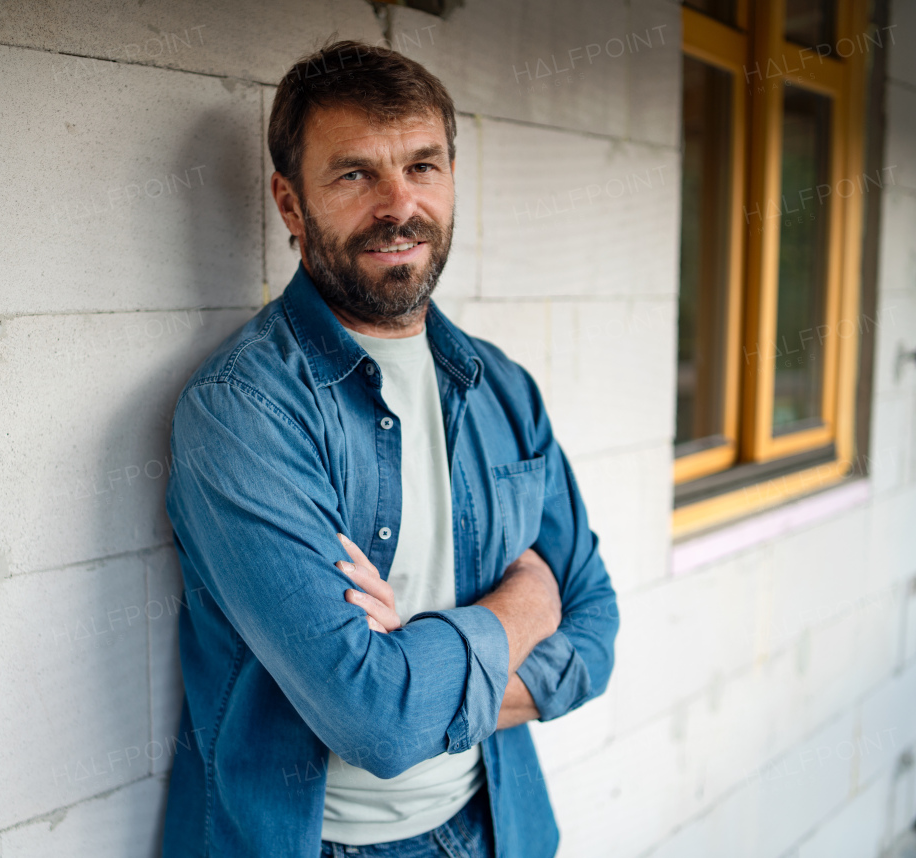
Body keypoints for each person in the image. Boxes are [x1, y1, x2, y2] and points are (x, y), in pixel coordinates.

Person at [160, 39, 619, 858]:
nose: (399, 204)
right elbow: (377, 720)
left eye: (423, 166)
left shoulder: (501, 386)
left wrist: (422, 664)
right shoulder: (243, 413)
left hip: (498, 825)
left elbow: (596, 635)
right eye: (354, 174)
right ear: (291, 205)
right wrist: (527, 605)